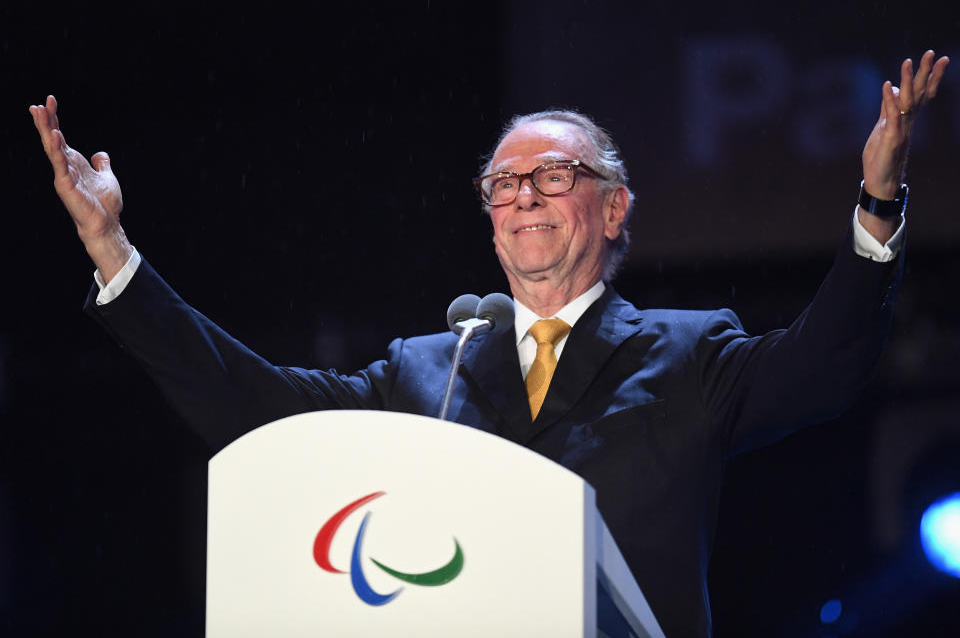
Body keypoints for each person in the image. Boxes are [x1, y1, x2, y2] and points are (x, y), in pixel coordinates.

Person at [29, 51, 949, 637]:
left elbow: (826, 367)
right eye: (502, 185)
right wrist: (114, 250)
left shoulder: (690, 353)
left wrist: (877, 203)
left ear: (615, 206)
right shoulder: (432, 365)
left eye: (553, 175)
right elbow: (254, 407)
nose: (522, 198)